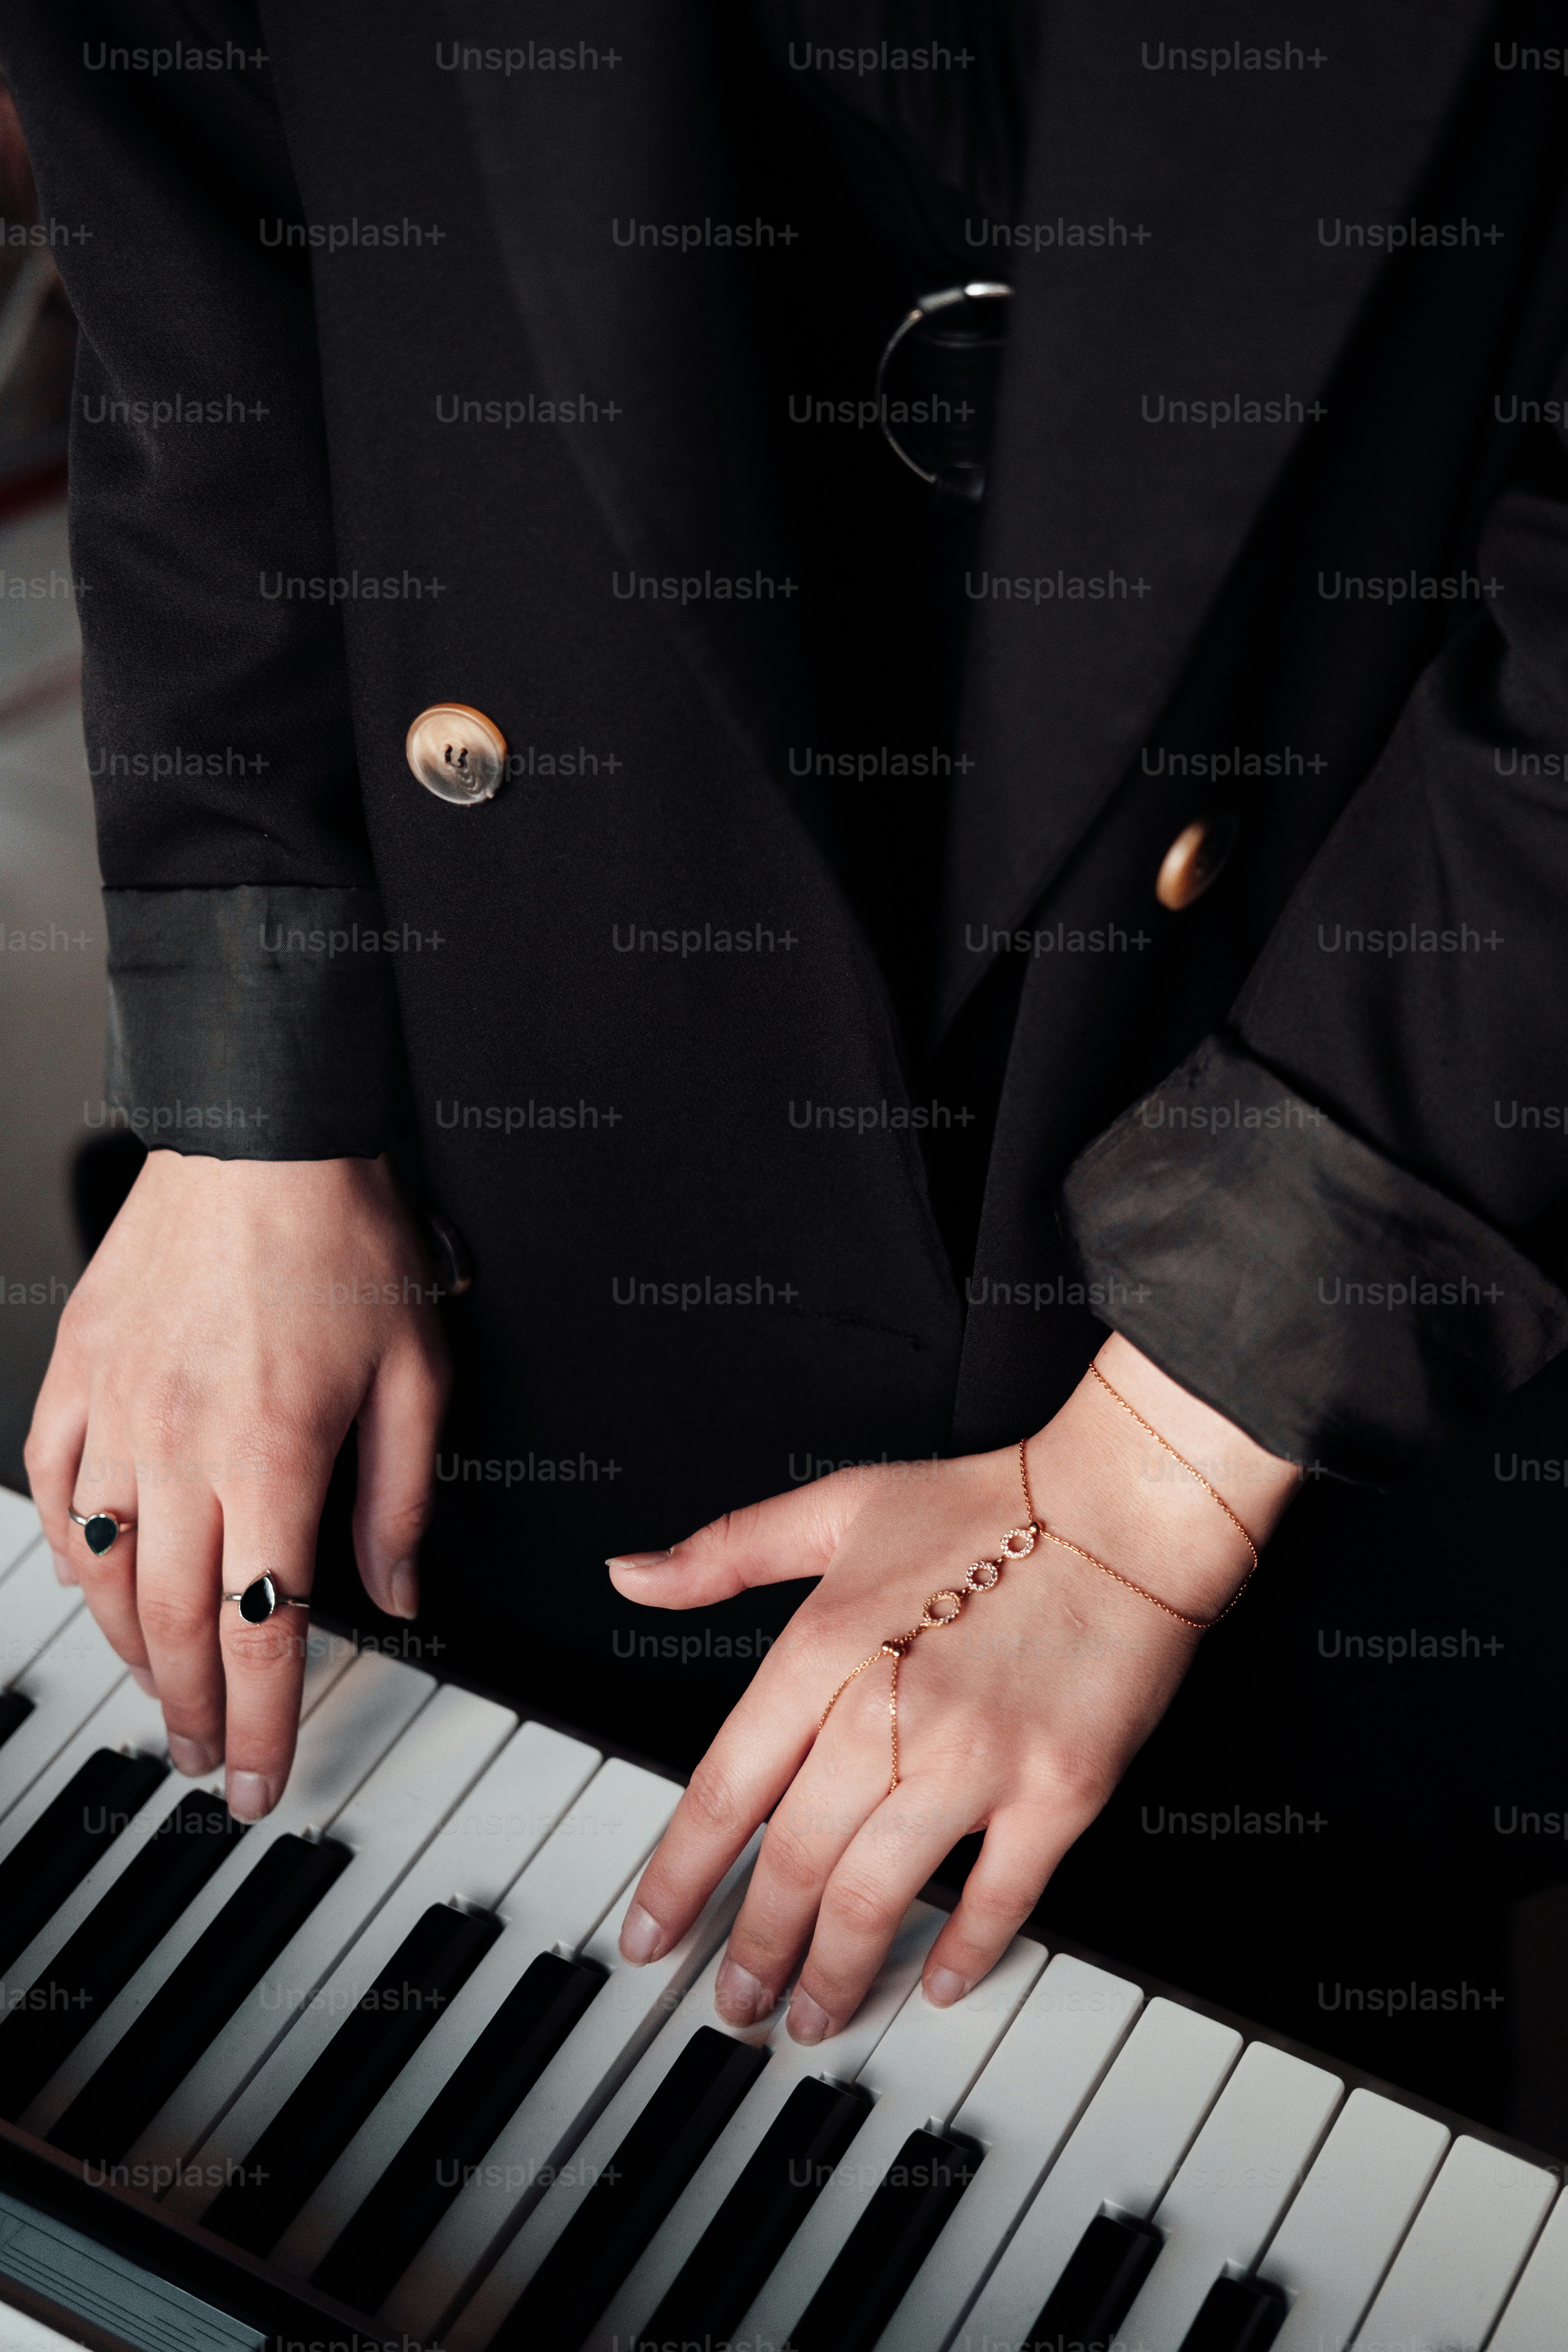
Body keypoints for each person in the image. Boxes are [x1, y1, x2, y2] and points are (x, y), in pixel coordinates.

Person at [6, 0, 1568, 2091]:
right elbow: (196, 239)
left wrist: (1181, 1444)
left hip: (1343, 1276)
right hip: (526, 1241)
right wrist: (255, 1104)